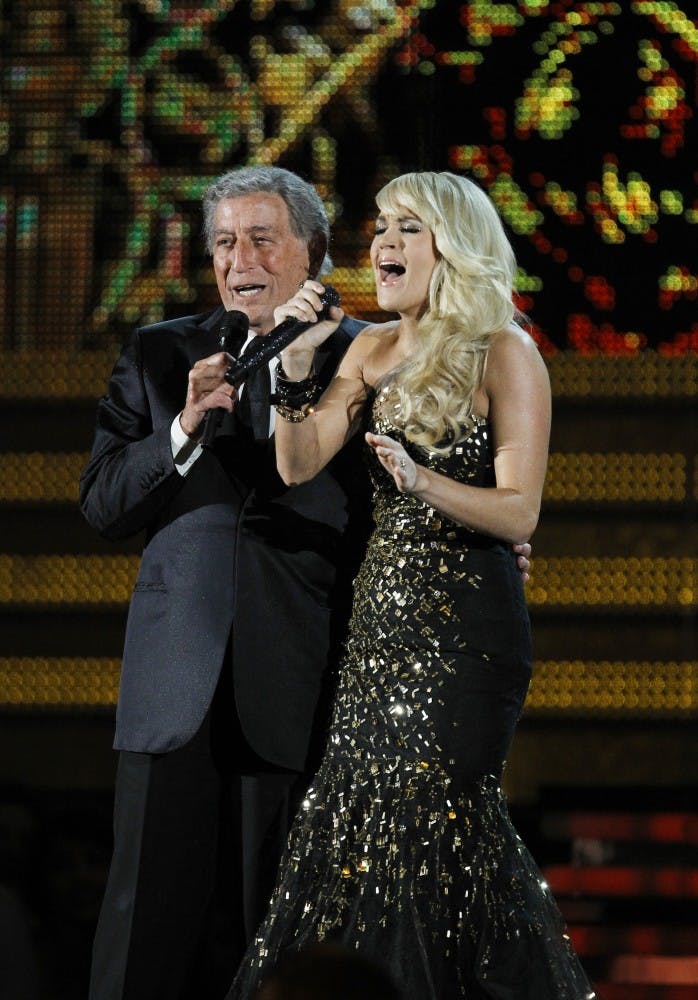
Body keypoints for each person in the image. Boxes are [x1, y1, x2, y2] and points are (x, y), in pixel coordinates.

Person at [80, 165, 531, 1000]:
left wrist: (487, 550)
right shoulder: (159, 352)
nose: (237, 258)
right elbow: (103, 505)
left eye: (261, 238)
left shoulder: (369, 351)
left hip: (306, 681)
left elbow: (421, 492)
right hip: (171, 688)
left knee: (287, 937)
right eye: (223, 242)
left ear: (313, 254)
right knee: (142, 933)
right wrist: (182, 425)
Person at [228, 172, 594, 999]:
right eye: (380, 227)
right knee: (358, 829)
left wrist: (422, 481)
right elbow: (294, 463)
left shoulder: (506, 350)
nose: (383, 246)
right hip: (379, 631)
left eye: (406, 230)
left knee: (437, 828)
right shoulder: (370, 350)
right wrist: (292, 369)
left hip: (468, 632)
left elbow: (519, 511)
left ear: (451, 248)